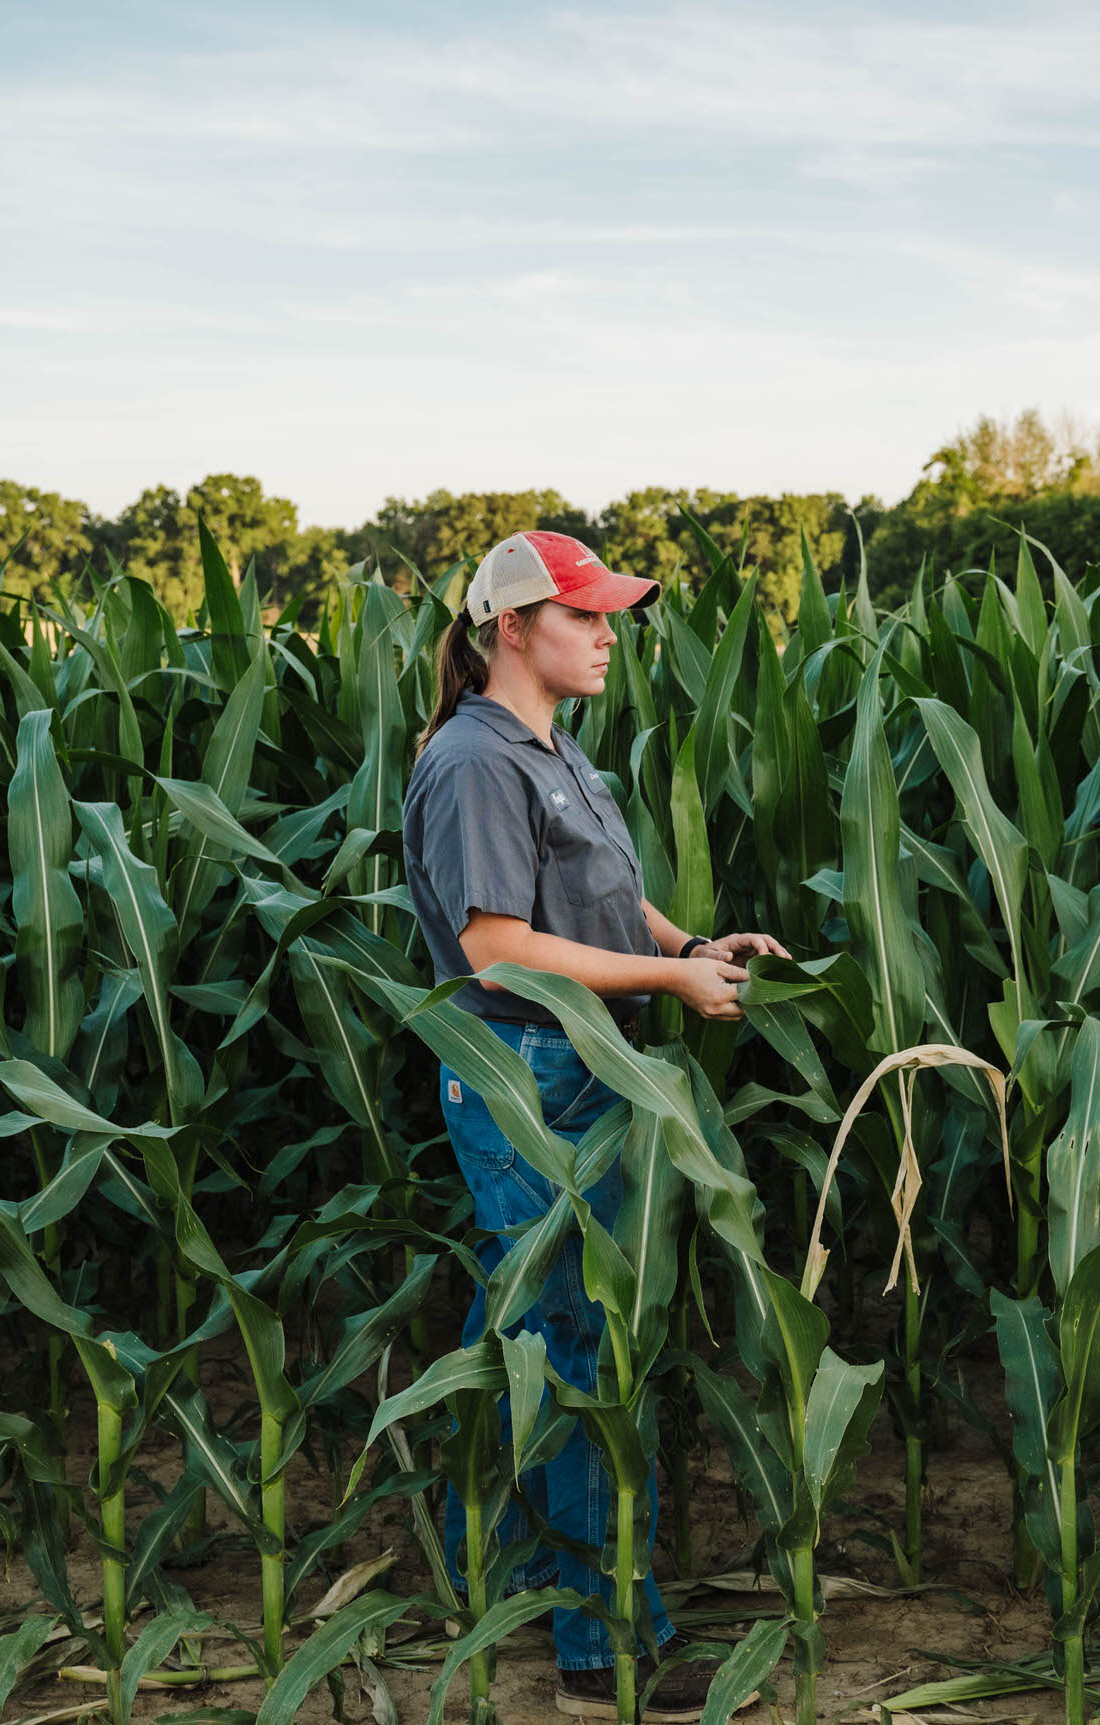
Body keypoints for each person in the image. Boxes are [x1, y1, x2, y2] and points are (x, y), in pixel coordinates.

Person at [401, 529, 789, 1721]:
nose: (610, 638)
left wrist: (686, 946)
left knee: (531, 1321)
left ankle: (500, 1576)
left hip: (576, 1064)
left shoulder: (550, 749)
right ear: (512, 628)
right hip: (525, 1072)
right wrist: (667, 990)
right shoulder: (477, 763)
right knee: (569, 1339)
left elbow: (599, 898)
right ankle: (599, 1644)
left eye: (612, 617)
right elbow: (497, 947)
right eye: (587, 618)